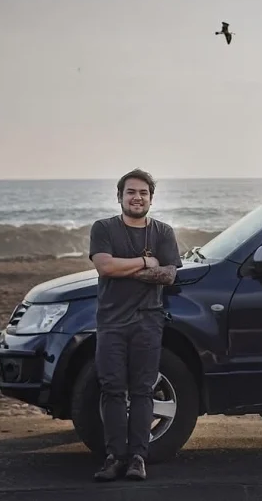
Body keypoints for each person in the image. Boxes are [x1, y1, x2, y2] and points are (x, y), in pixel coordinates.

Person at [87, 168, 182, 482]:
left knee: (142, 391)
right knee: (112, 390)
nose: (136, 197)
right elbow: (104, 266)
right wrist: (144, 262)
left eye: (143, 193)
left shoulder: (163, 233)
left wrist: (121, 267)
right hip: (111, 323)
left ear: (151, 199)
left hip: (148, 322)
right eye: (131, 192)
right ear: (120, 197)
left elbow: (168, 275)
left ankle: (138, 458)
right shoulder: (103, 229)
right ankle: (114, 458)